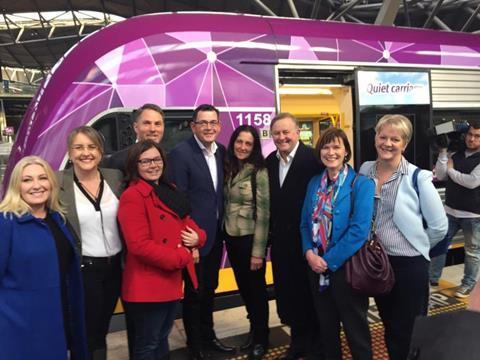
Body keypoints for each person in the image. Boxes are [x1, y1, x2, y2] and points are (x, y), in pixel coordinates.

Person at [359, 114, 448, 360]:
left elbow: (440, 226)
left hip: (409, 265)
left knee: (411, 329)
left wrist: (417, 247)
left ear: (404, 144)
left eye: (395, 139)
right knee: (389, 324)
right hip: (377, 263)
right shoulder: (365, 170)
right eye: (383, 136)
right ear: (375, 138)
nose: (387, 143)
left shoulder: (417, 177)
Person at [118, 140, 205, 359]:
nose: (153, 165)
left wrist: (198, 238)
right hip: (147, 285)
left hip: (170, 282)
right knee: (148, 344)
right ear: (135, 165)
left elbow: (189, 224)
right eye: (145, 161)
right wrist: (182, 256)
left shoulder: (168, 189)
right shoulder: (133, 196)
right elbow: (139, 246)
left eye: (157, 159)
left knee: (161, 338)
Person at [0, 156, 88, 360]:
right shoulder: (6, 223)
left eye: (42, 178)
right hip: (19, 328)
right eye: (27, 180)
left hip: (56, 320)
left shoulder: (58, 218)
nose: (36, 185)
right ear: (16, 186)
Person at [167, 104, 234, 360]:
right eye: (203, 122)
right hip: (194, 239)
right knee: (195, 293)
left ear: (219, 126)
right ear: (193, 126)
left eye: (213, 122)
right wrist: (190, 242)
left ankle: (209, 337)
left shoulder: (221, 152)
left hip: (216, 237)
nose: (208, 127)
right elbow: (179, 201)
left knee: (210, 289)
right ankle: (196, 347)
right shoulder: (181, 154)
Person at [300, 127, 374, 360]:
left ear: (346, 152)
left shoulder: (361, 184)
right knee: (327, 329)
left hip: (347, 269)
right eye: (326, 146)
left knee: (356, 331)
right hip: (316, 268)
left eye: (336, 147)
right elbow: (304, 223)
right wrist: (309, 254)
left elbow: (359, 231)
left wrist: (327, 261)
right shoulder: (314, 183)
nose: (330, 152)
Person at [57, 126, 124, 360]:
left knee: (102, 327)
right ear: (69, 151)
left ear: (100, 151)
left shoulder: (114, 177)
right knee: (84, 330)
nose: (86, 153)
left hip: (116, 267)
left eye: (91, 147)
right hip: (84, 269)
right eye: (79, 147)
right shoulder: (58, 182)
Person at [266, 112, 323, 359]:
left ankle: (317, 346)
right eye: (277, 133)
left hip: (309, 242)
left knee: (312, 295)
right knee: (289, 294)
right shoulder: (270, 162)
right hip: (281, 243)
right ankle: (298, 342)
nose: (282, 137)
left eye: (286, 132)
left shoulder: (314, 159)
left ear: (298, 132)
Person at [223, 125, 270, 360]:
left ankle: (262, 339)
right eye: (239, 142)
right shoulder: (229, 167)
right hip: (231, 239)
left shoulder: (259, 172)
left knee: (257, 291)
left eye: (248, 144)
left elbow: (264, 214)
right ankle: (254, 330)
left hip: (250, 240)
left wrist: (258, 253)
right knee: (244, 289)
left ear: (254, 147)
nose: (242, 147)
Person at [429, 120, 480, 297]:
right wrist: (443, 152)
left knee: (472, 252)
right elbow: (441, 175)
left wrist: (451, 171)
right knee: (439, 244)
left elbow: (472, 182)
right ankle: (432, 278)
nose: (471, 139)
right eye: (470, 135)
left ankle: (468, 283)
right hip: (450, 210)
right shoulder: (456, 153)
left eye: (477, 136)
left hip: (473, 215)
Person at [103, 103, 165, 172]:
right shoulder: (118, 160)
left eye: (157, 124)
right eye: (147, 123)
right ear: (135, 127)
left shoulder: (171, 159)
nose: (153, 129)